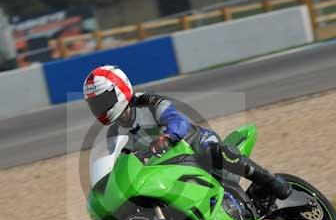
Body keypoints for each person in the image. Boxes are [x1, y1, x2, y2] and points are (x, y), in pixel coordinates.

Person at [83, 65, 292, 200]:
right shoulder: (114, 133)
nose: (100, 108)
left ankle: (272, 182)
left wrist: (167, 137)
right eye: (95, 105)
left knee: (212, 151)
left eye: (103, 101)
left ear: (120, 89)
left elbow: (176, 120)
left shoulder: (148, 101)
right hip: (164, 167)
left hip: (193, 143)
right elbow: (119, 163)